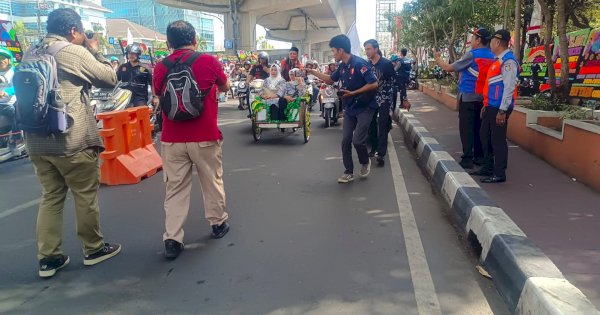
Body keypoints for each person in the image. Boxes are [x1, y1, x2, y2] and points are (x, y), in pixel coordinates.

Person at [22, 8, 121, 278]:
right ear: (73, 31)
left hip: (36, 141)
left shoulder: (31, 52)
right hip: (71, 139)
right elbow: (110, 78)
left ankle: (48, 258)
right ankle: (93, 248)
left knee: (51, 197)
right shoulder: (71, 52)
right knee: (84, 195)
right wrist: (95, 50)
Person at [152, 20, 231, 260]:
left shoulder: (159, 67)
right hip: (205, 137)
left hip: (172, 139)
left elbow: (158, 95)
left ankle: (173, 239)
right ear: (195, 40)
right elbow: (225, 86)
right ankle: (217, 224)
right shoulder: (209, 61)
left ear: (168, 43)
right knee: (212, 181)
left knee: (175, 189)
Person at [308, 34, 378, 183]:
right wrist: (313, 72)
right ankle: (348, 171)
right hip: (351, 107)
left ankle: (365, 161)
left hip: (365, 107)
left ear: (340, 50)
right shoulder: (342, 66)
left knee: (358, 141)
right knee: (346, 140)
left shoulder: (359, 64)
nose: (333, 54)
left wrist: (354, 92)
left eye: (333, 51)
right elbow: (330, 79)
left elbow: (373, 84)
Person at [434, 28, 495, 169]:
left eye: (473, 37)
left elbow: (449, 68)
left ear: (479, 40)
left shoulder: (472, 55)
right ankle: (479, 157)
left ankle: (467, 158)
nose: (471, 40)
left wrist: (437, 58)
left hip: (468, 97)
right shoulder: (492, 56)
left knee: (466, 129)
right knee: (480, 128)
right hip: (484, 98)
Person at [477, 29, 520, 184]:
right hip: (491, 106)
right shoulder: (498, 60)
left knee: (498, 140)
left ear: (497, 42)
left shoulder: (508, 62)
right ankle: (488, 168)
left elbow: (509, 88)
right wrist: (486, 105)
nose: (490, 44)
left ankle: (499, 173)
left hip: (499, 108)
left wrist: (502, 111)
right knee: (484, 135)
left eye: (492, 42)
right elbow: (493, 86)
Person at [364, 39, 396, 167]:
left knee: (382, 125)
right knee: (371, 124)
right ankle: (373, 148)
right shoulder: (367, 65)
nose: (367, 52)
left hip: (384, 98)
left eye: (369, 49)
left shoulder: (386, 64)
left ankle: (381, 154)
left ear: (376, 49)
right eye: (365, 49)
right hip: (371, 98)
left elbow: (394, 82)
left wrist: (395, 102)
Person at [0, 47, 20, 149]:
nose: (1, 60)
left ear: (9, 60)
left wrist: (6, 92)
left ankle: (16, 138)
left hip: (10, 103)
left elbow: (17, 86)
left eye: (3, 58)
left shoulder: (14, 72)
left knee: (15, 113)